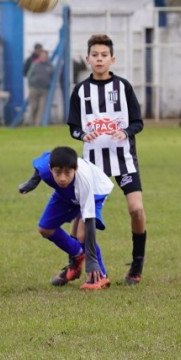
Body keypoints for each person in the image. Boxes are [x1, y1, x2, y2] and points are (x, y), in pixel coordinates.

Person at [67, 34, 148, 285]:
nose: (99, 59)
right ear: (87, 59)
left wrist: (124, 132)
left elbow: (138, 123)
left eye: (104, 55)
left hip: (123, 160)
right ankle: (75, 262)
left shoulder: (123, 87)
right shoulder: (80, 91)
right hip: (92, 164)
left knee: (136, 209)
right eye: (95, 55)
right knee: (82, 217)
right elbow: (73, 127)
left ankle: (136, 265)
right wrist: (83, 134)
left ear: (112, 59)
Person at [18, 146, 114, 290]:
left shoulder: (84, 181)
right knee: (45, 229)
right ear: (51, 169)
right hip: (66, 193)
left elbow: (89, 220)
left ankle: (100, 276)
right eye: (58, 172)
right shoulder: (46, 167)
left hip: (95, 192)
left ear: (75, 169)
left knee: (82, 235)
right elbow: (40, 166)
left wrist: (92, 260)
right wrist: (31, 183)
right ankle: (77, 255)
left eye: (67, 173)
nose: (62, 178)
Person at [26, 49, 53, 126]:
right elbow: (29, 75)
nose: (44, 57)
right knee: (33, 106)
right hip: (34, 89)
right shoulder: (35, 64)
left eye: (45, 56)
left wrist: (49, 85)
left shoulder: (50, 66)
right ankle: (31, 123)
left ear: (47, 57)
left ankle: (37, 124)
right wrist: (30, 85)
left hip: (45, 90)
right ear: (40, 56)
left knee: (42, 107)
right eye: (42, 56)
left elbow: (53, 77)